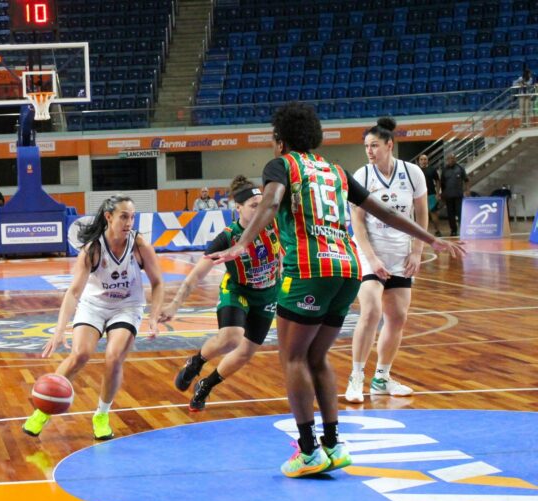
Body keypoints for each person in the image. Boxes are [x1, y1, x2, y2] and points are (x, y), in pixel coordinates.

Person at [209, 102, 466, 478]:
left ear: (280, 141)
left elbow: (271, 202)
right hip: (348, 269)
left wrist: (241, 244)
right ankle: (334, 443)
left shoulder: (281, 166)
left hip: (310, 271)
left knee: (293, 359)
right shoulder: (336, 170)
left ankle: (309, 450)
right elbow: (387, 213)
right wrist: (431, 240)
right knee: (318, 357)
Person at [22, 194, 164, 440]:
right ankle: (44, 409)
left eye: (132, 216)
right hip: (94, 304)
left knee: (114, 356)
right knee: (80, 354)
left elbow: (158, 282)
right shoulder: (93, 248)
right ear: (109, 217)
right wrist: (59, 331)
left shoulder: (139, 245)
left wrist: (152, 317)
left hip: (127, 306)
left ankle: (101, 414)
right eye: (124, 216)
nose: (129, 221)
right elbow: (74, 292)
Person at [159, 175, 283, 411]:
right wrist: (175, 304)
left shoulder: (274, 224)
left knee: (246, 352)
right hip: (238, 290)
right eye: (253, 206)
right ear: (238, 208)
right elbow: (195, 275)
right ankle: (196, 362)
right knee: (232, 338)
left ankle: (206, 384)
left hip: (268, 294)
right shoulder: (227, 237)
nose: (259, 210)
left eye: (261, 205)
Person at [345, 118, 429, 404]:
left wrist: (417, 251)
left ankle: (381, 378)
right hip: (370, 253)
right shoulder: (362, 175)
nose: (369, 151)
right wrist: (370, 257)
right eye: (366, 146)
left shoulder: (413, 173)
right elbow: (356, 220)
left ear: (389, 145)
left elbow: (421, 214)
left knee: (398, 317)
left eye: (375, 145)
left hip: (400, 254)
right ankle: (356, 377)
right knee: (370, 312)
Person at [437, 153, 470, 237]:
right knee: (450, 215)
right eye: (449, 159)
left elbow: (466, 180)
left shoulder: (460, 168)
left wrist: (467, 190)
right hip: (448, 196)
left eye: (452, 158)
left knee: (460, 213)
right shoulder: (444, 170)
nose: (451, 160)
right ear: (447, 160)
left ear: (455, 159)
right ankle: (453, 230)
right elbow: (442, 183)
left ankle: (462, 230)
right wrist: (442, 194)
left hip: (458, 195)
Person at [417, 154, 442, 237]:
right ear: (419, 161)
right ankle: (421, 232)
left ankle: (437, 231)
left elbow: (438, 181)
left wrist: (438, 193)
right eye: (422, 159)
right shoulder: (416, 170)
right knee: (420, 214)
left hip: (431, 195)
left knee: (434, 214)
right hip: (419, 196)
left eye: (425, 159)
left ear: (427, 160)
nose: (423, 161)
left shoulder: (432, 170)